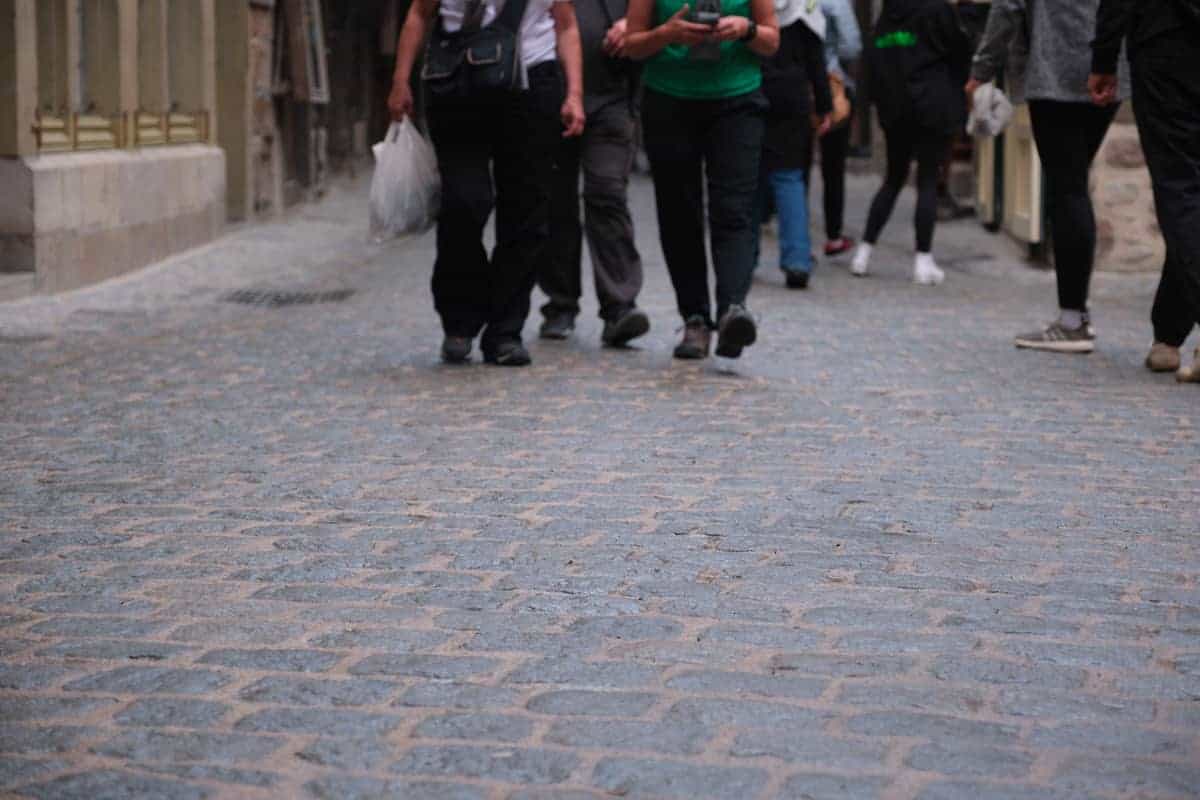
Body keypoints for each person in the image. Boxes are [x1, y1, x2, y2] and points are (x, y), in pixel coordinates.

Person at [388, 0, 586, 366]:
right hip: (459, 85)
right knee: (464, 203)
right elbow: (419, 13)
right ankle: (459, 319)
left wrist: (574, 94)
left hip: (531, 83)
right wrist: (401, 81)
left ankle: (505, 332)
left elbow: (566, 24)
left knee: (526, 213)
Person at [965, 0, 1126, 354]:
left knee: (1067, 189)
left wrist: (981, 70)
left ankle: (1072, 320)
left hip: (1055, 68)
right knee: (1073, 185)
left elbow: (1008, 6)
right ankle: (1076, 312)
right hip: (1108, 66)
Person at [625, 0, 781, 360]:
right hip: (669, 100)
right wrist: (668, 34)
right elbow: (633, 45)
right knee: (679, 213)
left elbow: (772, 41)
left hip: (737, 100)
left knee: (734, 208)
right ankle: (695, 319)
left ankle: (732, 311)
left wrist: (746, 30)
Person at [1091, 0, 1200, 382]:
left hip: (1164, 45)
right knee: (1188, 194)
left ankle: (1170, 333)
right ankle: (1168, 334)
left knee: (1180, 187)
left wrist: (1104, 59)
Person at [538, 0, 650, 347]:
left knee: (607, 193)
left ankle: (619, 305)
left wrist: (633, 24)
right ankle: (560, 303)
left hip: (611, 96)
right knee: (556, 201)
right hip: (550, 96)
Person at [850, 0, 969, 285]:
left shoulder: (889, 13)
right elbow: (960, 52)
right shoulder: (938, 9)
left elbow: (874, 59)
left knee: (893, 178)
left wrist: (876, 101)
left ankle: (863, 252)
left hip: (896, 107)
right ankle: (923, 259)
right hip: (931, 104)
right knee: (928, 179)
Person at [754, 0, 833, 290]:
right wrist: (824, 106)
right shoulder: (805, 5)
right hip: (792, 94)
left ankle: (744, 257)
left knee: (749, 178)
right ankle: (797, 260)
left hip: (751, 87)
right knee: (789, 176)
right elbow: (816, 58)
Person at [816, 0, 862, 257]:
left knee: (790, 165)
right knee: (833, 165)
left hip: (793, 82)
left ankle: (792, 236)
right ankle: (833, 235)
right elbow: (851, 45)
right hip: (833, 84)